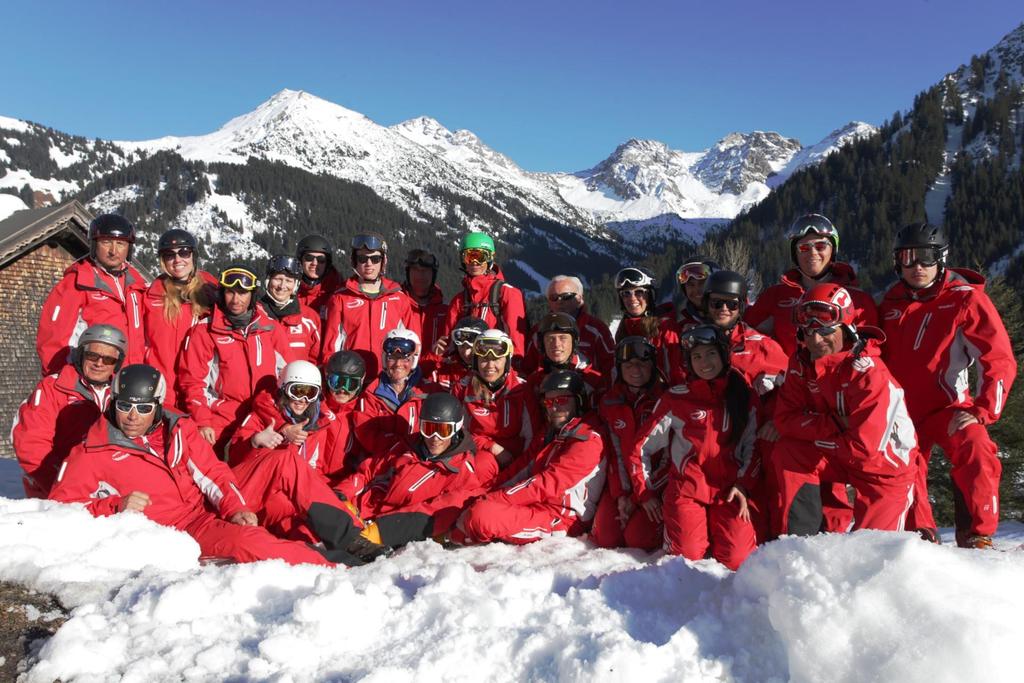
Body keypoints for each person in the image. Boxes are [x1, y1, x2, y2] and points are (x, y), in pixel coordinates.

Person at [49, 364, 364, 566]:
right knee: (250, 543)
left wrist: (235, 508)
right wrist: (115, 506)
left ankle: (353, 538)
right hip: (182, 528)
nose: (133, 416)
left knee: (283, 460)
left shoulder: (177, 428)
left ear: (157, 407)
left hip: (208, 504)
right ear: (113, 404)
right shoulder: (92, 452)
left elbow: (212, 471)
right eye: (125, 406)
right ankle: (334, 565)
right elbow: (58, 511)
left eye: (143, 408)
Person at [879, 223, 1016, 548]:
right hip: (901, 413)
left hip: (948, 408)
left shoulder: (964, 299)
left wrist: (984, 410)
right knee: (905, 465)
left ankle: (978, 535)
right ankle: (921, 537)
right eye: (908, 258)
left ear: (940, 258)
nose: (917, 266)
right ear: (897, 262)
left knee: (975, 446)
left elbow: (998, 358)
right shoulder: (890, 303)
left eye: (926, 257)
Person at [770, 284, 918, 538]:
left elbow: (865, 448)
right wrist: (836, 424)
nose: (816, 340)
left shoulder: (868, 372)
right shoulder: (802, 362)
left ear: (846, 327)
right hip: (841, 453)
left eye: (826, 331)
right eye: (808, 331)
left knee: (872, 552)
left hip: (883, 467)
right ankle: (800, 542)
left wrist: (817, 432)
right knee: (789, 450)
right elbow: (784, 419)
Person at [631, 326, 761, 569]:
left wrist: (744, 484)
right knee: (686, 559)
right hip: (687, 489)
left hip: (729, 490)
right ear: (689, 362)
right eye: (697, 356)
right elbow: (641, 447)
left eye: (711, 354)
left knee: (737, 560)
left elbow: (753, 446)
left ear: (723, 355)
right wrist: (644, 492)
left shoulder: (744, 395)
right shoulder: (676, 398)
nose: (704, 362)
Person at [451, 370, 606, 545]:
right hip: (537, 504)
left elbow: (547, 483)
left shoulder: (588, 439)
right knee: (469, 500)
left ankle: (461, 536)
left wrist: (492, 499)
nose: (554, 408)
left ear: (578, 401)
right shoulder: (552, 432)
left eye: (562, 400)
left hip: (561, 517)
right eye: (549, 402)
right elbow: (522, 468)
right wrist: (485, 493)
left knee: (482, 515)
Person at [335, 393, 498, 521]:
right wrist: (342, 493)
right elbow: (368, 471)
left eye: (443, 431)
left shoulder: (459, 471)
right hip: (357, 509)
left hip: (383, 525)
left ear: (456, 429)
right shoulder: (407, 446)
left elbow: (432, 511)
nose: (435, 438)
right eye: (429, 428)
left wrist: (382, 526)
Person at [13, 324, 127, 498]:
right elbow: (31, 445)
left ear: (117, 364)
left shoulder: (122, 393)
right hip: (57, 487)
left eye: (108, 359)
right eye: (92, 355)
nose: (99, 363)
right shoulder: (54, 388)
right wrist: (63, 487)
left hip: (108, 488)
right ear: (81, 354)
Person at [178, 265, 279, 454]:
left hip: (263, 415)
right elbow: (193, 382)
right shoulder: (205, 331)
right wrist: (202, 421)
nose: (236, 300)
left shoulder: (269, 328)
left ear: (252, 295)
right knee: (206, 459)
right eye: (230, 292)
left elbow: (288, 372)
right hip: (222, 417)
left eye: (243, 293)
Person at [745, 213, 877, 356]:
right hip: (787, 370)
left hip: (839, 370)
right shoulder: (776, 296)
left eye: (820, 246)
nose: (813, 253)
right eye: (804, 248)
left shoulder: (858, 300)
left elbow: (871, 348)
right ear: (795, 253)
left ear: (833, 250)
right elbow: (745, 334)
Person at [37, 213, 147, 376]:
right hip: (92, 379)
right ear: (94, 244)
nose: (113, 251)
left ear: (129, 248)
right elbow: (52, 341)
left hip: (130, 378)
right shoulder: (77, 283)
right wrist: (64, 381)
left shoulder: (136, 284)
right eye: (106, 242)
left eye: (120, 243)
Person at [590, 336, 667, 550]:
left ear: (653, 366)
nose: (636, 369)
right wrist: (622, 495)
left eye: (642, 363)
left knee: (638, 540)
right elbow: (614, 453)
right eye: (628, 364)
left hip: (655, 485)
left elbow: (670, 459)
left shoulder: (664, 401)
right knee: (606, 538)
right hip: (624, 484)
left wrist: (640, 496)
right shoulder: (610, 402)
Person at [321, 233, 417, 378]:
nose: (369, 264)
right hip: (352, 379)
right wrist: (334, 377)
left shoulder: (398, 298)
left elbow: (413, 343)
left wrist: (407, 377)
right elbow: (331, 346)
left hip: (388, 379)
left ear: (383, 261)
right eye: (362, 258)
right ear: (354, 261)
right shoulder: (341, 298)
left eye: (375, 259)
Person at [142, 229, 215, 409]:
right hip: (159, 390)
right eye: (169, 255)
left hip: (198, 393)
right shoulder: (150, 297)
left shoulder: (212, 293)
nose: (177, 260)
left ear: (193, 256)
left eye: (184, 252)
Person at [452, 329, 541, 465]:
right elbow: (457, 433)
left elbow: (532, 439)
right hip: (478, 454)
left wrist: (516, 470)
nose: (490, 366)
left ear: (507, 361)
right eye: (484, 359)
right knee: (483, 462)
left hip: (516, 462)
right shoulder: (463, 390)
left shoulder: (521, 391)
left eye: (496, 359)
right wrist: (491, 446)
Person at [439, 232, 528, 367]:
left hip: (494, 368)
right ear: (463, 260)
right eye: (469, 257)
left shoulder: (506, 294)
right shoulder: (459, 300)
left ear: (490, 259)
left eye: (480, 257)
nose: (474, 262)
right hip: (465, 369)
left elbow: (516, 344)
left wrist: (511, 369)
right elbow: (450, 342)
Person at [228, 360, 335, 470]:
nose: (303, 400)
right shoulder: (261, 418)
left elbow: (314, 467)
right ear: (283, 389)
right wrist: (254, 442)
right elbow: (234, 460)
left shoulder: (316, 426)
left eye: (310, 393)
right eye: (296, 392)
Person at [701, 270, 788, 398]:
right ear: (706, 304)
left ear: (741, 307)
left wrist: (770, 390)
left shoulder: (762, 346)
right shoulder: (694, 343)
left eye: (732, 304)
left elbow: (791, 387)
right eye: (716, 303)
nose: (724, 309)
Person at [522, 275, 615, 376]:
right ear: (549, 302)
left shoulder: (597, 330)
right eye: (554, 298)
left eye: (566, 296)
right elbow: (527, 369)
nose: (559, 302)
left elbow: (611, 367)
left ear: (579, 298)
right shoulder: (538, 331)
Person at [362, 328, 437, 442]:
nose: (398, 364)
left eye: (405, 358)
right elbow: (367, 434)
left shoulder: (429, 392)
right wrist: (399, 448)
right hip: (384, 452)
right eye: (392, 358)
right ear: (384, 359)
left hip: (418, 452)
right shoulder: (371, 394)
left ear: (414, 360)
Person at [612, 266, 681, 379]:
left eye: (639, 292)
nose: (632, 298)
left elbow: (676, 372)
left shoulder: (665, 327)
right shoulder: (624, 328)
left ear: (650, 295)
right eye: (626, 293)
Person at [526, 312, 608, 398]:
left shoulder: (593, 381)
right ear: (542, 344)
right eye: (550, 339)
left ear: (574, 342)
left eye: (563, 338)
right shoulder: (533, 383)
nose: (556, 344)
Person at [260, 254, 321, 364]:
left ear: (296, 285)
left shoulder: (309, 318)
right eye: (278, 279)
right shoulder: (254, 315)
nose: (282, 286)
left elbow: (316, 360)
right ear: (268, 281)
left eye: (288, 281)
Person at [402, 249, 447, 375]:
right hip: (402, 376)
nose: (420, 276)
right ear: (408, 273)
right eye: (415, 270)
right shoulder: (396, 307)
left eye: (425, 271)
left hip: (435, 378)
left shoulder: (445, 313)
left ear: (433, 275)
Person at [431, 317, 487, 389]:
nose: (466, 353)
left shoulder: (491, 372)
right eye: (462, 346)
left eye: (471, 347)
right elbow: (422, 379)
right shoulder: (445, 368)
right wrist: (434, 357)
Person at [295, 234, 342, 321]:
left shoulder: (338, 293)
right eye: (309, 258)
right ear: (300, 260)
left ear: (327, 264)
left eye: (321, 260)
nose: (314, 263)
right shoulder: (289, 290)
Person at [663, 258, 719, 328]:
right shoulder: (681, 328)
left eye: (702, 283)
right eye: (691, 284)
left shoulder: (730, 320)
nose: (696, 290)